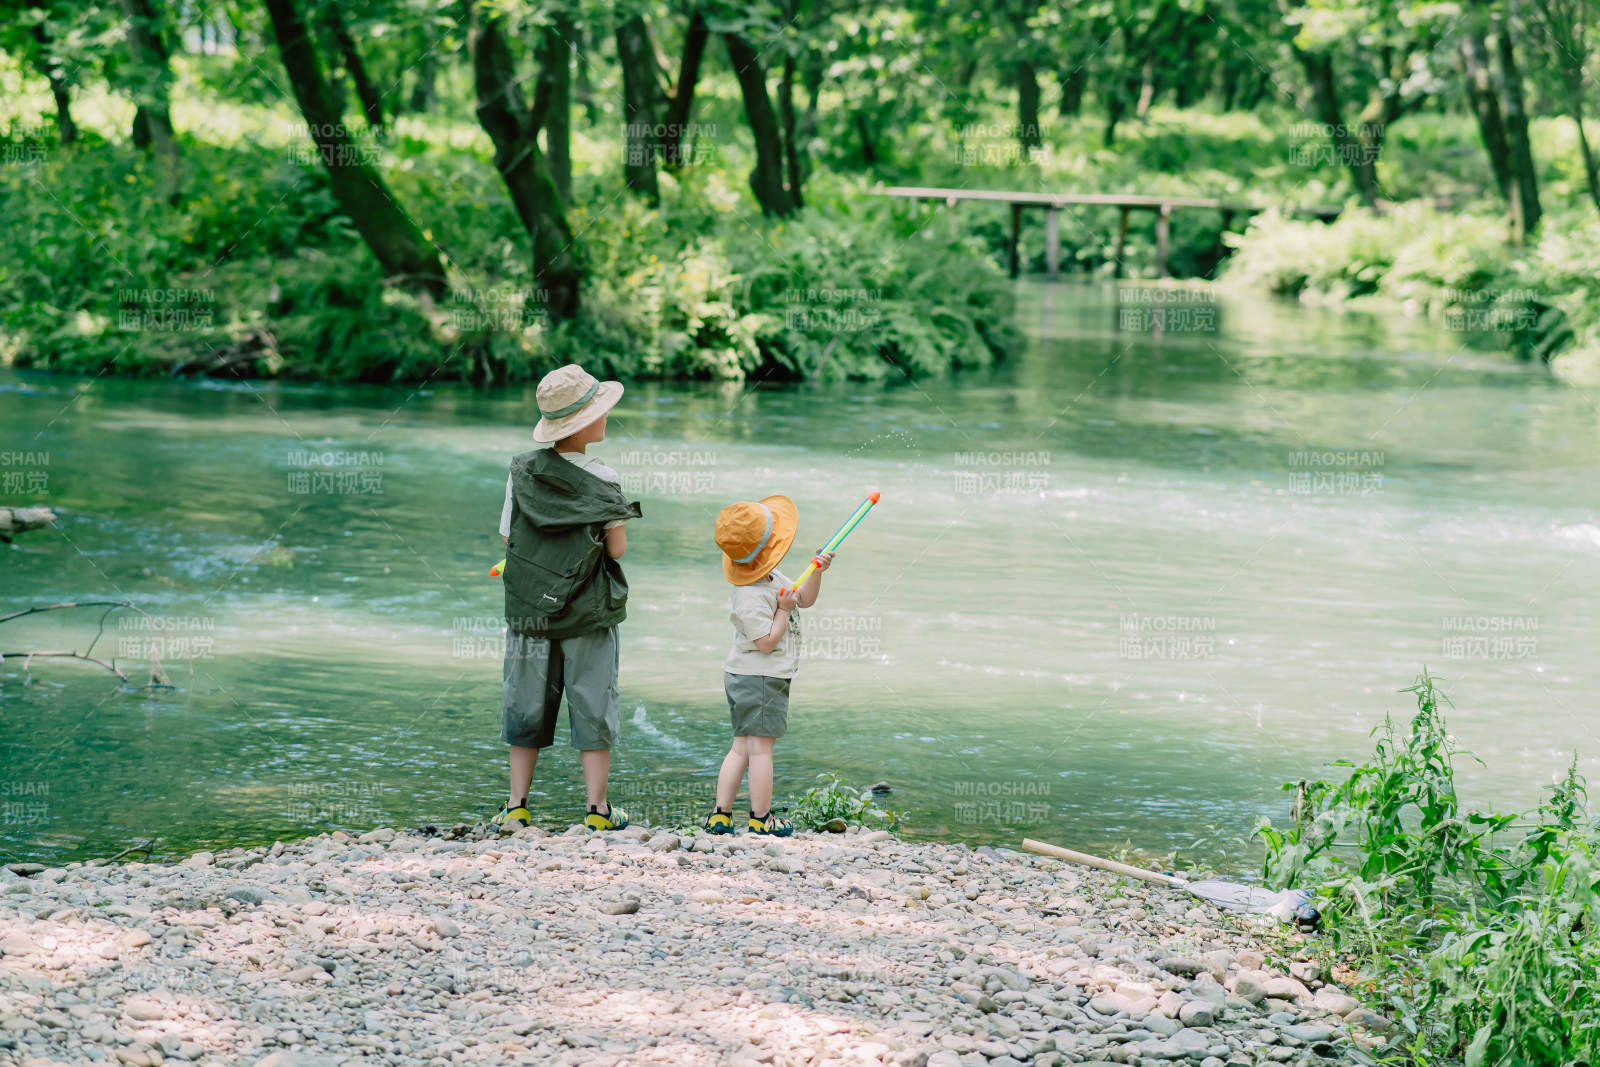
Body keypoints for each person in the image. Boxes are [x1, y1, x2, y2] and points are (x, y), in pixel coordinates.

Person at [491, 364, 640, 833]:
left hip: (531, 608)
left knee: (525, 700)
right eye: (601, 410)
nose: (607, 416)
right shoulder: (605, 476)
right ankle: (597, 810)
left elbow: (506, 535)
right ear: (583, 423)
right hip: (588, 611)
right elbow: (615, 549)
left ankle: (517, 805)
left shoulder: (521, 470)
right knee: (593, 700)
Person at [706, 495, 832, 837]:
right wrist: (783, 611)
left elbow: (803, 597)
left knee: (742, 747)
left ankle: (721, 815)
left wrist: (816, 572)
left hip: (746, 677)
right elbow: (767, 642)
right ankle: (761, 818)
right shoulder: (748, 594)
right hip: (760, 678)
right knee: (760, 750)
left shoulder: (770, 577)